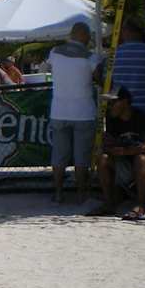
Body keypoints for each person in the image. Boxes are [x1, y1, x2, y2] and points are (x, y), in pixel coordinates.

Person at [44, 22, 104, 203]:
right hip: (83, 111)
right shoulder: (91, 57)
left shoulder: (55, 52)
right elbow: (100, 80)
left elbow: (49, 69)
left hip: (59, 110)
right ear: (84, 36)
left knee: (59, 155)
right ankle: (80, 194)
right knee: (81, 156)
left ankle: (58, 192)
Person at [92, 87, 145, 217]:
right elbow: (110, 143)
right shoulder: (111, 119)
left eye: (113, 102)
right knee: (102, 159)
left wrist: (122, 151)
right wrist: (109, 147)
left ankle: (141, 204)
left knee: (141, 159)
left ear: (125, 102)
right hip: (124, 162)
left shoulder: (142, 118)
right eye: (108, 103)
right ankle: (109, 203)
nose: (110, 106)